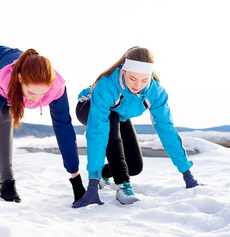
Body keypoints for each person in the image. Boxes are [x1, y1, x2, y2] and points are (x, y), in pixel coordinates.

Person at [0, 46, 85, 204]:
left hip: (13, 72)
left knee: (8, 116)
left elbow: (64, 129)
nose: (36, 99)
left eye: (43, 94)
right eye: (31, 93)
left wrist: (77, 183)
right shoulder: (2, 81)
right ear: (20, 79)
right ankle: (7, 183)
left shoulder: (56, 87)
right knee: (3, 116)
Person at [72, 46, 200, 208]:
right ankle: (122, 185)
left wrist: (187, 175)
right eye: (132, 78)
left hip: (118, 115)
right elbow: (97, 133)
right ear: (123, 71)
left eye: (144, 80)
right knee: (110, 124)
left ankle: (106, 173)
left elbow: (167, 130)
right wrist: (92, 184)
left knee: (134, 166)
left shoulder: (156, 92)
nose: (138, 85)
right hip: (89, 108)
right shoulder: (106, 86)